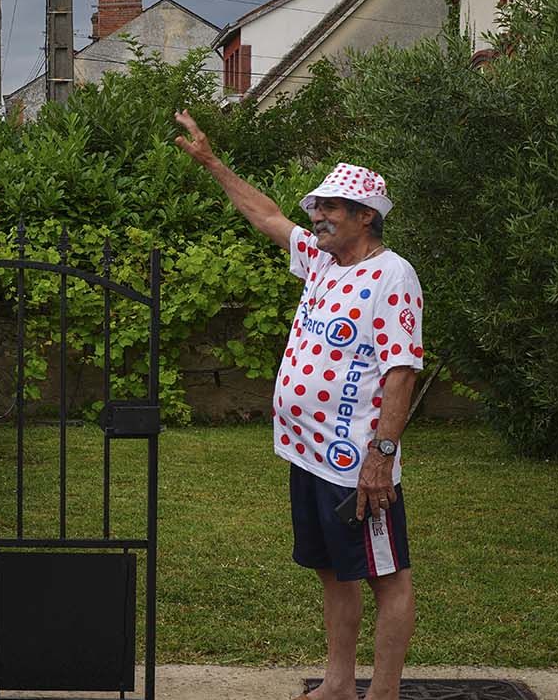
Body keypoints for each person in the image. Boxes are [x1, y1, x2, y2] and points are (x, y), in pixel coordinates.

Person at [175, 112, 422, 700]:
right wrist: (213, 164)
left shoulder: (393, 276)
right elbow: (266, 214)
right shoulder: (318, 259)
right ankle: (338, 685)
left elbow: (402, 372)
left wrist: (381, 458)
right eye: (318, 206)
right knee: (332, 571)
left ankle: (383, 694)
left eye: (333, 207)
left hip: (358, 464)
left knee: (388, 576)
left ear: (367, 216)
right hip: (308, 454)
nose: (318, 215)